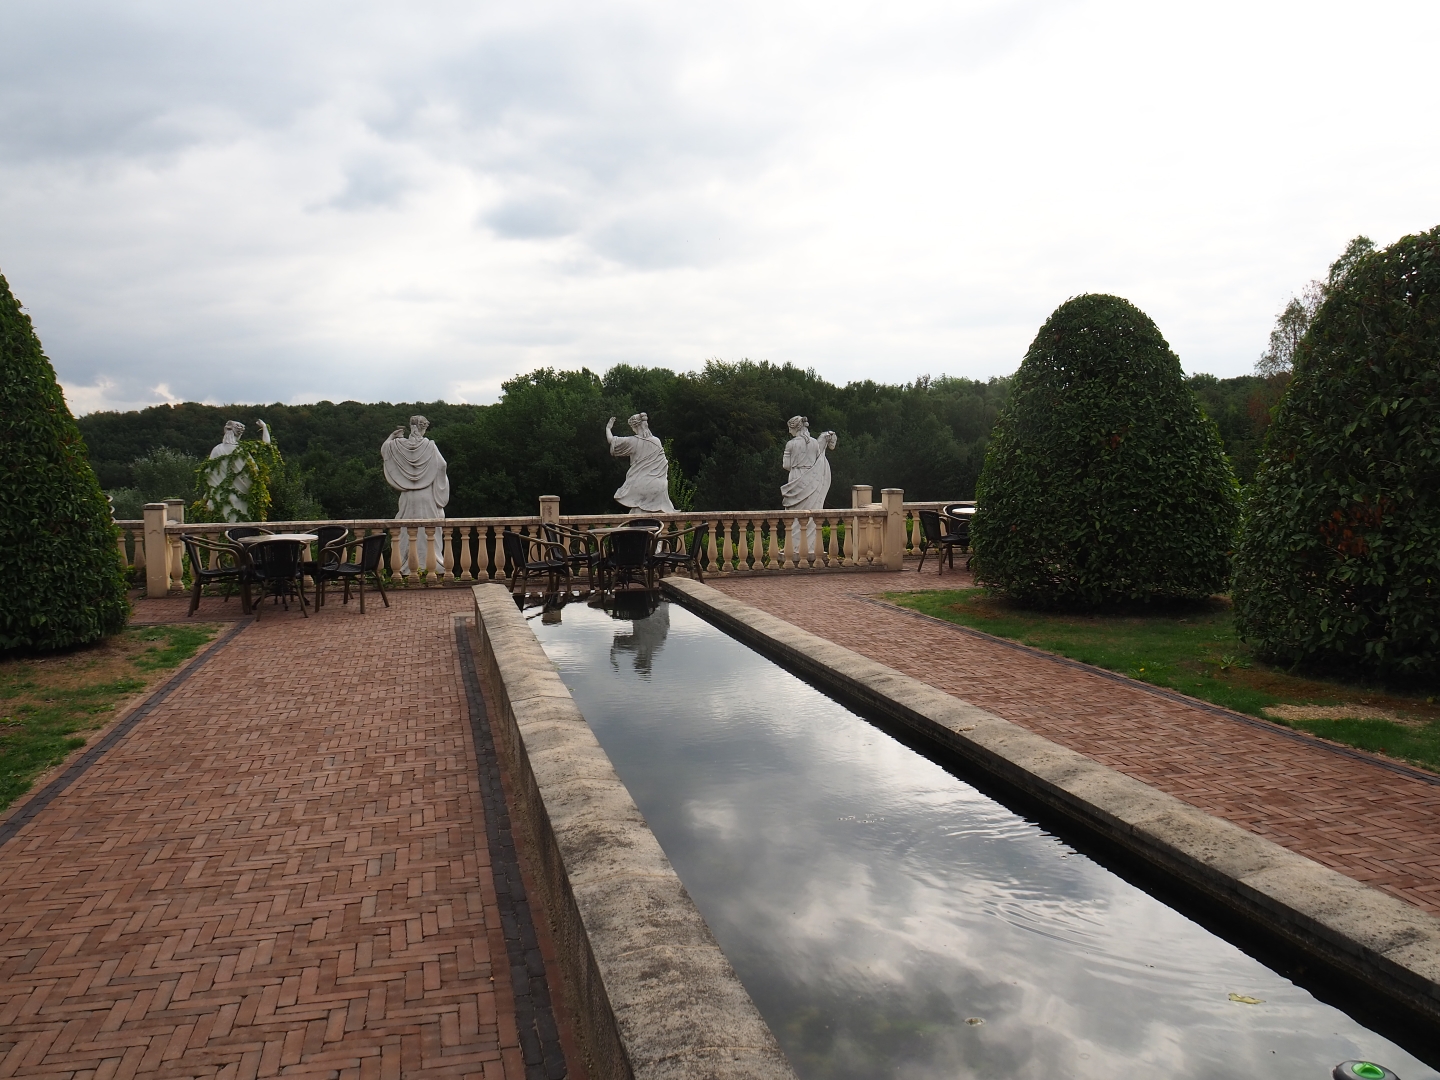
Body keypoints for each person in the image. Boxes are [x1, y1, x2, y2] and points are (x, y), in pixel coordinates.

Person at [382, 416, 449, 574]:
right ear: (423, 427)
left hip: (408, 496)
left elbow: (385, 451)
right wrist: (437, 485)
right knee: (429, 530)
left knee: (406, 530)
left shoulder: (398, 445)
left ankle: (406, 566)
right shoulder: (429, 445)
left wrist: (392, 437)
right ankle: (429, 565)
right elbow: (443, 465)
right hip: (427, 495)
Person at [781, 416, 837, 559]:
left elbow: (786, 465)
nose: (789, 431)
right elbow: (818, 461)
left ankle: (794, 546)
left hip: (795, 477)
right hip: (811, 478)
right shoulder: (814, 443)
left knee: (794, 514)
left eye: (790, 428)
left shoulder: (791, 444)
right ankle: (810, 546)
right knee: (811, 513)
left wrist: (797, 466)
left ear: (796, 428)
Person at [606, 413, 676, 514]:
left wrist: (608, 428)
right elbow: (664, 465)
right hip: (659, 485)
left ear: (634, 426)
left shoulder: (633, 441)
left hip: (640, 484)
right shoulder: (657, 441)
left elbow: (612, 441)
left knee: (637, 516)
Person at [202, 419, 269, 522]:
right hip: (241, 499)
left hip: (219, 497)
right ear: (238, 434)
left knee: (221, 530)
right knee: (241, 529)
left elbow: (208, 474)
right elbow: (265, 447)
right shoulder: (241, 451)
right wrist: (264, 427)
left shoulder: (217, 450)